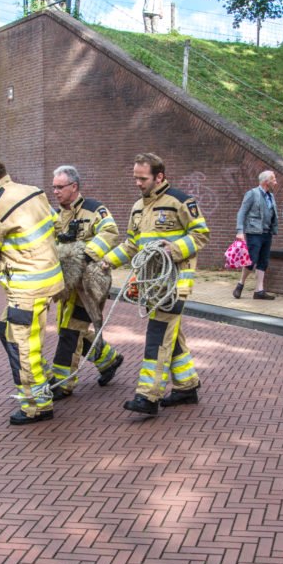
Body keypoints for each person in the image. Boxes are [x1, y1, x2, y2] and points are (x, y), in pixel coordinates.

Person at [101, 153, 210, 416]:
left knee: (157, 337)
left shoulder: (181, 201)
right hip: (151, 287)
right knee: (171, 338)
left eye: (143, 178)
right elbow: (131, 244)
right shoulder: (138, 207)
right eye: (135, 178)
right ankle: (186, 387)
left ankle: (148, 397)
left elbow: (201, 234)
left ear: (159, 176)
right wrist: (106, 261)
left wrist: (172, 249)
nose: (138, 183)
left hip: (174, 285)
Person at [0, 155, 65, 425]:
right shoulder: (34, 192)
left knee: (23, 347)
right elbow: (56, 226)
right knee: (5, 330)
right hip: (50, 282)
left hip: (26, 289)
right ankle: (45, 382)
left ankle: (37, 406)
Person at [49, 165, 125, 400]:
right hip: (67, 287)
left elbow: (111, 233)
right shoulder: (55, 215)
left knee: (70, 329)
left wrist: (82, 255)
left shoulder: (94, 209)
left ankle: (62, 382)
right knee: (73, 327)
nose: (55, 192)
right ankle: (108, 359)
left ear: (74, 187)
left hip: (90, 285)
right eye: (53, 187)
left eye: (60, 187)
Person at [233, 170, 279, 300]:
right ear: (266, 182)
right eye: (273, 180)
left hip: (267, 232)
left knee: (263, 261)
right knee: (251, 260)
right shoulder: (252, 194)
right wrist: (240, 231)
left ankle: (259, 291)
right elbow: (241, 212)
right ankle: (240, 284)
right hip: (254, 232)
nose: (276, 182)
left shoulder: (271, 195)